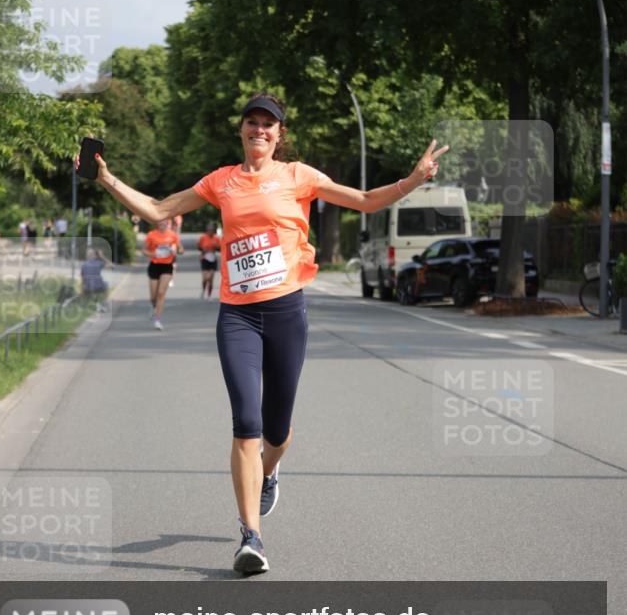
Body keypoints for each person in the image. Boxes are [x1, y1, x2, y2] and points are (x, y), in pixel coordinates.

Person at [75, 92, 448, 574]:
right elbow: (156, 208)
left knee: (278, 430)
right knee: (246, 424)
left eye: (268, 125)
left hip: (287, 313)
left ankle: (269, 472)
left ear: (279, 134)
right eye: (252, 122)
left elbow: (365, 202)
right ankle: (251, 536)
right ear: (243, 130)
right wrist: (106, 178)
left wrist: (413, 180)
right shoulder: (221, 181)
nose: (260, 130)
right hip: (238, 317)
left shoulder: (300, 177)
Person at [142, 218, 180, 330]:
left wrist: (176, 251)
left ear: (167, 223)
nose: (162, 224)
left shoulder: (173, 235)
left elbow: (181, 249)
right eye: (160, 222)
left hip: (167, 266)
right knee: (153, 297)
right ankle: (154, 306)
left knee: (161, 293)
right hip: (154, 266)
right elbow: (143, 250)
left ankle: (157, 319)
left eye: (164, 222)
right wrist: (153, 254)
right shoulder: (151, 235)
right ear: (157, 224)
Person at [197, 221, 221, 299]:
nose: (210, 231)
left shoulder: (216, 238)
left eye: (211, 230)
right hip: (205, 258)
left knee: (211, 278)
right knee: (205, 278)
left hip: (213, 259)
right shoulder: (203, 237)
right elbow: (199, 247)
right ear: (207, 230)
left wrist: (216, 247)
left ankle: (209, 295)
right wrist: (203, 250)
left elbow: (220, 249)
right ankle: (204, 290)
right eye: (209, 230)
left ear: (213, 231)